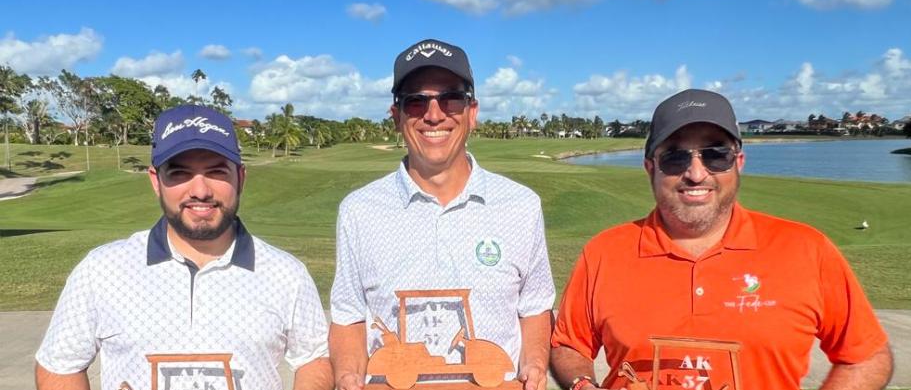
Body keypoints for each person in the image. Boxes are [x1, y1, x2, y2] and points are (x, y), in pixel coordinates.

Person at [550, 89, 893, 390]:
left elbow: (868, 356)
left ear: (738, 162)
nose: (696, 173)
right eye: (674, 156)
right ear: (650, 168)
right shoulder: (604, 252)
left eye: (715, 154)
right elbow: (568, 344)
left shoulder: (806, 248)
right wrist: (583, 385)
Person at [35, 105, 333, 390]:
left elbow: (314, 360)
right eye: (179, 174)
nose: (200, 191)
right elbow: (59, 366)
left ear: (240, 178)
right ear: (156, 181)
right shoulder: (102, 270)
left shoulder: (286, 274)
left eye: (217, 172)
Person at [329, 38, 555, 390]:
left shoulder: (521, 205)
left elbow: (535, 307)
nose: (434, 114)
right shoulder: (359, 211)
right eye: (416, 102)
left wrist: (536, 365)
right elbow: (348, 316)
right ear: (397, 117)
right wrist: (347, 376)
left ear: (472, 112)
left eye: (451, 98)